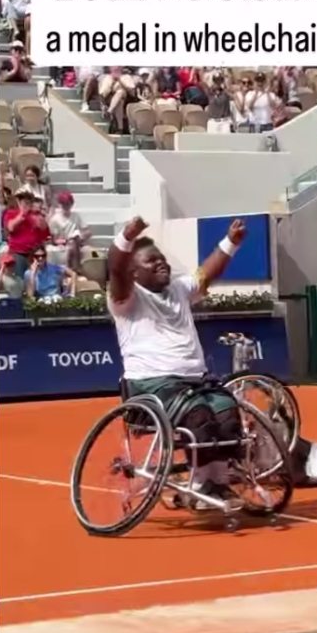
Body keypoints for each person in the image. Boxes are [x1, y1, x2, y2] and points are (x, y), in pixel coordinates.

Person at [108, 215, 246, 506]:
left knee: (227, 414)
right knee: (200, 418)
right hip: (152, 387)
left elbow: (207, 273)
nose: (161, 263)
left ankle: (216, 483)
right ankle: (200, 485)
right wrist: (127, 236)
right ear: (133, 273)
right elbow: (116, 267)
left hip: (195, 383)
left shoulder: (179, 290)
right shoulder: (125, 299)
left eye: (162, 259)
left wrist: (230, 243)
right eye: (151, 261)